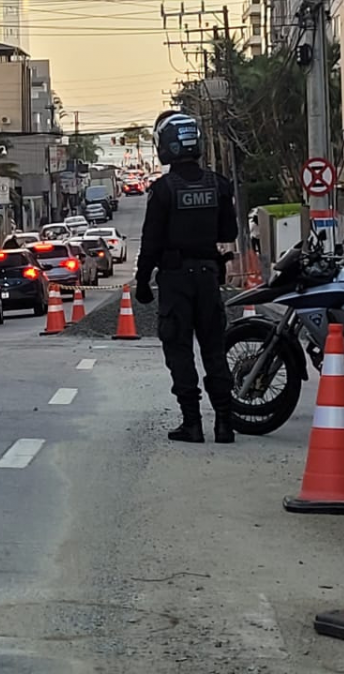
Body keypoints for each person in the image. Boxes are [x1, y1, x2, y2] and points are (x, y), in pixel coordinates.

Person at [134, 111, 240, 444]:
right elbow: (230, 230)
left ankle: (192, 423)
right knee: (214, 350)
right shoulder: (218, 185)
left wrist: (141, 281)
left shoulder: (163, 190)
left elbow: (150, 241)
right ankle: (225, 423)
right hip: (208, 276)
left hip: (175, 280)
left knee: (179, 351)